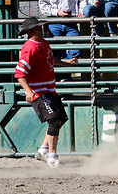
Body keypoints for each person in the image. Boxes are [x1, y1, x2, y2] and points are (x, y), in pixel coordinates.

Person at [14, 17, 77, 168]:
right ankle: (52, 157)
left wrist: (65, 63)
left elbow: (49, 59)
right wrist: (28, 92)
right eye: (38, 28)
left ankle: (43, 150)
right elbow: (20, 73)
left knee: (60, 118)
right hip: (39, 91)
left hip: (49, 90)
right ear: (30, 32)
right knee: (54, 120)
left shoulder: (44, 44)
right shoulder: (30, 48)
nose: (42, 30)